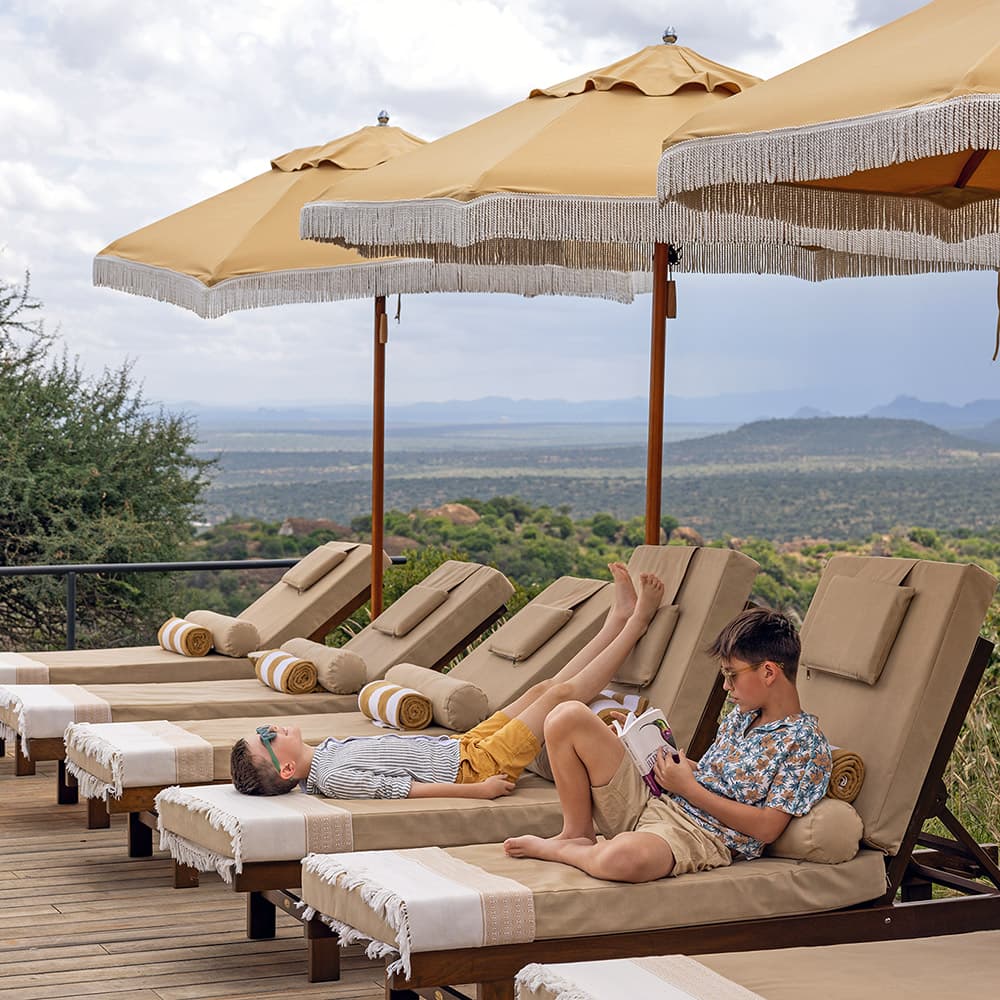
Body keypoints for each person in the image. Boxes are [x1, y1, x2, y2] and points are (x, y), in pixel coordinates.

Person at [230, 564, 664, 799]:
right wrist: (479, 792)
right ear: (287, 769)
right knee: (560, 696)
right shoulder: (333, 776)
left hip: (462, 747)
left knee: (541, 689)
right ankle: (635, 623)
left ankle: (615, 621)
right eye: (267, 737)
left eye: (263, 728)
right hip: (475, 767)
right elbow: (404, 790)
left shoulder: (324, 756)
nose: (271, 728)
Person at [503, 607, 832, 882]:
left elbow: (767, 828)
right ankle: (576, 834)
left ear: (769, 672)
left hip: (699, 834)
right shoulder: (742, 716)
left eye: (732, 675)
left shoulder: (804, 743)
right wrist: (652, 752)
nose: (726, 686)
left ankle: (567, 852)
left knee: (621, 860)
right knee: (566, 716)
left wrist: (688, 788)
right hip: (660, 797)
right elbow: (716, 777)